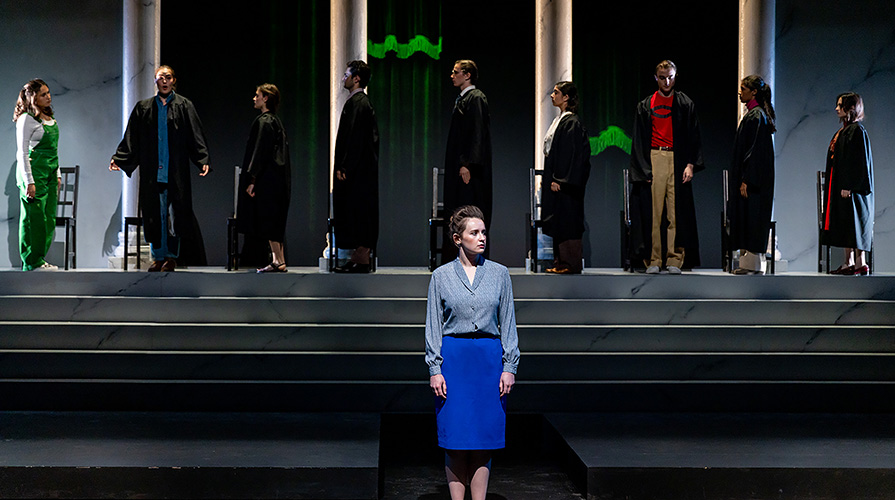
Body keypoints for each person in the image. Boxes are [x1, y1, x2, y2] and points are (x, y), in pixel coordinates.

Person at [425, 205, 519, 500]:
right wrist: (435, 370)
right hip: (455, 362)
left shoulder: (500, 274)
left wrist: (509, 366)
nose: (481, 238)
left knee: (483, 439)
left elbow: (509, 324)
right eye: (474, 233)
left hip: (488, 362)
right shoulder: (441, 276)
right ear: (457, 239)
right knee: (455, 438)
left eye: (483, 232)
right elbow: (433, 326)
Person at [110, 65, 211, 272]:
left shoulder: (184, 106)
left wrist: (202, 159)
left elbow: (195, 134)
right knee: (154, 215)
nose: (164, 81)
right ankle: (157, 257)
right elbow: (132, 137)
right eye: (160, 78)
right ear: (155, 82)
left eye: (167, 77)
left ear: (174, 80)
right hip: (152, 172)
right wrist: (119, 158)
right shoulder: (144, 108)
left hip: (175, 172)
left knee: (175, 216)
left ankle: (171, 257)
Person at [629, 60, 704, 274]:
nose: (667, 81)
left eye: (670, 76)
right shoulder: (646, 104)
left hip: (677, 158)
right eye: (662, 77)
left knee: (675, 212)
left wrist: (690, 164)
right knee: (654, 213)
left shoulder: (684, 103)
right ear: (656, 78)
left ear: (675, 76)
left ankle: (674, 259)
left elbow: (693, 136)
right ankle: (653, 260)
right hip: (655, 156)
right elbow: (638, 140)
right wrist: (644, 169)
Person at [237, 83, 292, 273]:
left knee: (270, 218)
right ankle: (279, 259)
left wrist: (252, 179)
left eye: (257, 95)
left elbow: (259, 151)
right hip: (276, 179)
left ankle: (278, 260)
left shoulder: (265, 122)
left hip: (269, 180)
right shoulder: (275, 121)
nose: (254, 98)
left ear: (265, 98)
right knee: (274, 219)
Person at [443, 60, 492, 264]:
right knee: (458, 211)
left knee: (469, 208)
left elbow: (477, 133)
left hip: (470, 170)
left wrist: (468, 164)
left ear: (468, 75)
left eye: (456, 72)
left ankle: (473, 259)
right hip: (459, 165)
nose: (452, 75)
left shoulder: (476, 98)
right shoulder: (463, 98)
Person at [332, 60, 379, 273]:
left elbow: (355, 138)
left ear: (356, 78)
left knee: (359, 212)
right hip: (357, 171)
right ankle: (358, 257)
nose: (344, 78)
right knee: (355, 212)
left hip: (358, 173)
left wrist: (345, 166)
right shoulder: (358, 102)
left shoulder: (360, 103)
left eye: (346, 74)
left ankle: (361, 257)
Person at [541, 81, 592, 274]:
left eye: (556, 92)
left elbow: (571, 155)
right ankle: (560, 262)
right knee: (559, 220)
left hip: (566, 185)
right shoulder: (561, 120)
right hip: (557, 181)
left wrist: (560, 180)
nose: (552, 95)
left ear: (566, 97)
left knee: (568, 220)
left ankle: (570, 263)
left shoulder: (571, 122)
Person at [822, 92, 874, 275]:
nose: (836, 108)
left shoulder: (857, 131)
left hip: (852, 190)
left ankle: (859, 263)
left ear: (850, 108)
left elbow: (859, 162)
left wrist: (849, 185)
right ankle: (849, 262)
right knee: (846, 223)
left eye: (840, 105)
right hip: (843, 188)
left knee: (854, 223)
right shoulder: (844, 131)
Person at [729, 75, 776, 275]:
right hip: (752, 180)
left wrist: (747, 179)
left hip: (754, 182)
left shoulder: (757, 116)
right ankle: (748, 266)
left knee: (753, 217)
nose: (740, 92)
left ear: (753, 91)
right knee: (748, 217)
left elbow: (755, 152)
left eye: (743, 88)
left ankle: (753, 267)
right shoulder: (754, 115)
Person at [13, 79, 61, 271]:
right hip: (34, 173)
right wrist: (29, 182)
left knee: (48, 218)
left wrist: (57, 173)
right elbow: (22, 152)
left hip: (49, 172)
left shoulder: (50, 118)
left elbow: (54, 150)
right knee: (34, 218)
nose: (48, 97)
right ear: (33, 97)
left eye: (48, 93)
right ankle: (32, 261)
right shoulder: (26, 119)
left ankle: (40, 259)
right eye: (43, 94)